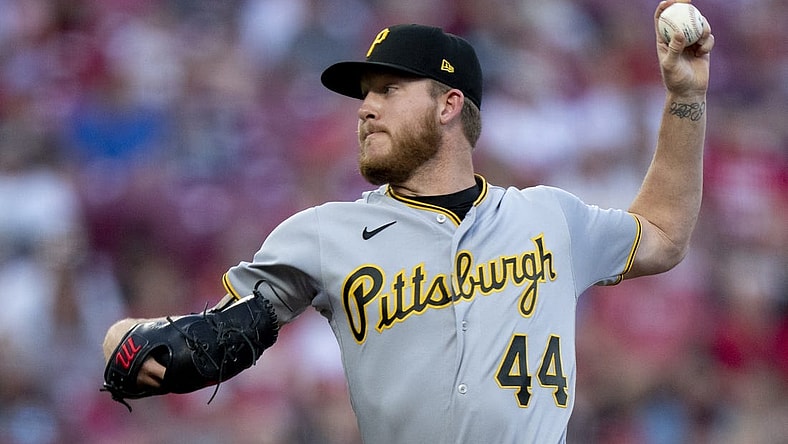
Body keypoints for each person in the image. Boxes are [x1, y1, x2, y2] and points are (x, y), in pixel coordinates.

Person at [102, 1, 714, 442]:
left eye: (388, 89)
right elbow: (212, 333)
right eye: (364, 94)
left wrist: (685, 99)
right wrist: (130, 343)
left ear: (450, 104)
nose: (365, 108)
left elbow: (661, 234)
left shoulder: (548, 216)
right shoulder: (322, 234)